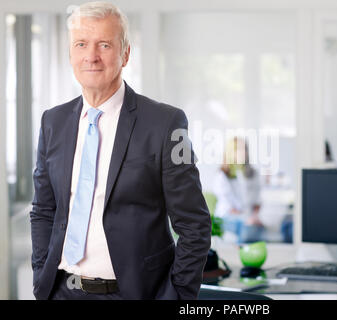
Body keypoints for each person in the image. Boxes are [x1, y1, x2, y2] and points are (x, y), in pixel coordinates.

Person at [30, 2, 211, 300]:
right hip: (61, 290)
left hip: (134, 293)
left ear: (125, 54)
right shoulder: (54, 121)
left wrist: (176, 295)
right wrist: (41, 277)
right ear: (70, 53)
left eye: (104, 44)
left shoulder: (164, 123)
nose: (91, 56)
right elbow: (43, 210)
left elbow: (194, 224)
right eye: (81, 44)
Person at [213, 137, 264, 244]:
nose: (243, 153)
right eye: (238, 149)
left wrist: (253, 216)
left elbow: (257, 201)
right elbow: (231, 207)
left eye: (244, 149)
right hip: (226, 216)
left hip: (245, 216)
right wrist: (247, 218)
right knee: (245, 227)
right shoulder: (222, 176)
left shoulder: (247, 174)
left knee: (259, 228)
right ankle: (241, 253)